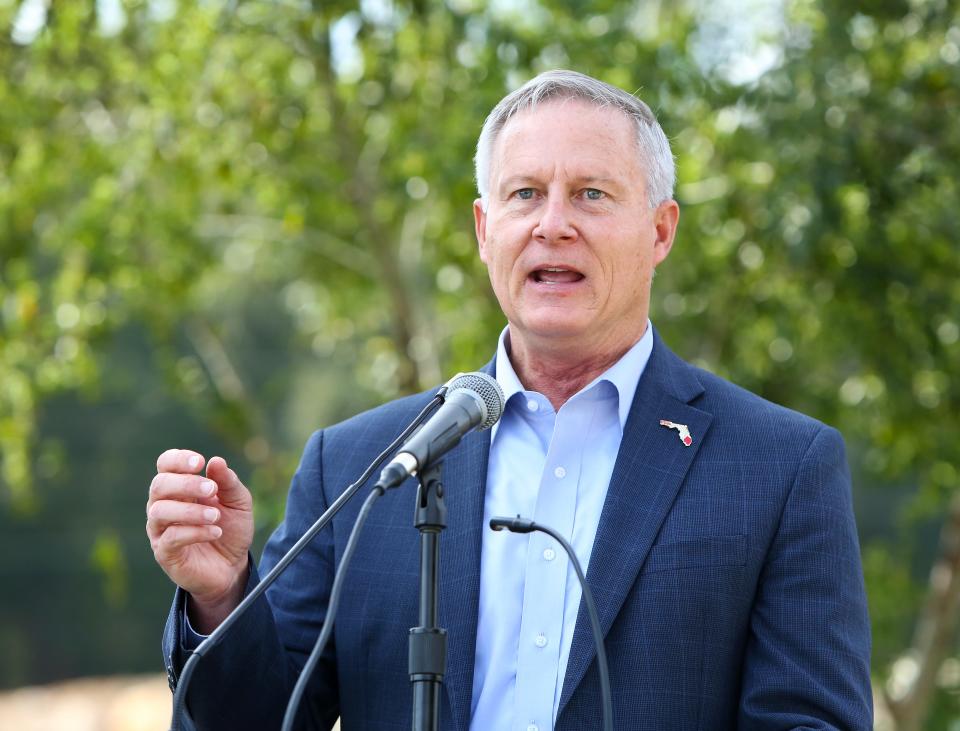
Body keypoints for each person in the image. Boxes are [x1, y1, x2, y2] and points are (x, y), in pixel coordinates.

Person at [148, 70, 872, 730]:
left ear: (659, 231)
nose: (552, 223)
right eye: (524, 193)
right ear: (485, 229)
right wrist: (221, 599)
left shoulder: (779, 465)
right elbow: (256, 720)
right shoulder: (362, 466)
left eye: (591, 194)